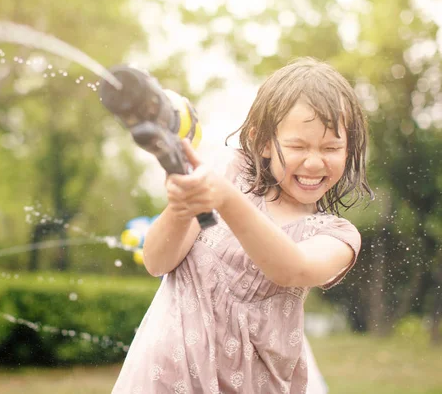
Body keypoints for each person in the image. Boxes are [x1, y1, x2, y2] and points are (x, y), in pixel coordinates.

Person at [111, 57, 373, 394]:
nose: (313, 161)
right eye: (297, 146)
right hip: (162, 378)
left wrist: (224, 199)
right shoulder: (228, 170)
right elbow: (157, 261)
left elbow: (292, 268)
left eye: (331, 147)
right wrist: (179, 208)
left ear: (349, 150)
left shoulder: (336, 235)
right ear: (262, 141)